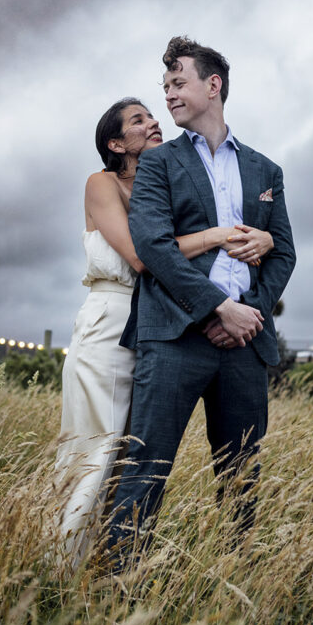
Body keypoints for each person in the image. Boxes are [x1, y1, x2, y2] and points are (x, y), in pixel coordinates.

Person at [55, 96, 274, 572]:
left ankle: (104, 566)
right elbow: (143, 256)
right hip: (109, 326)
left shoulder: (162, 186)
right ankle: (64, 572)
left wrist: (267, 238)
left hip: (157, 326)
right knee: (97, 450)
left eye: (152, 116)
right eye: (139, 121)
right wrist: (219, 235)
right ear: (116, 142)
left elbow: (174, 257)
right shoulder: (102, 184)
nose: (154, 122)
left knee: (133, 460)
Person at [107, 37, 296, 568]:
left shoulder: (266, 171)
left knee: (242, 474)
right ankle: (120, 587)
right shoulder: (159, 163)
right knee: (145, 468)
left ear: (213, 86)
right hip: (173, 337)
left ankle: (239, 581)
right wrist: (218, 308)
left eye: (178, 83)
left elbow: (284, 254)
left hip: (244, 345)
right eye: (164, 86)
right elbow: (152, 246)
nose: (168, 95)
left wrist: (248, 314)